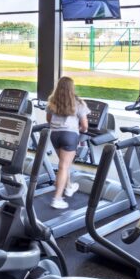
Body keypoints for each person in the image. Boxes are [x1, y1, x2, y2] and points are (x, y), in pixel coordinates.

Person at [45, 77, 89, 210]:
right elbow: (85, 126)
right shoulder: (79, 103)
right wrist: (78, 130)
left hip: (55, 135)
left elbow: (49, 120)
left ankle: (69, 186)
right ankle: (57, 198)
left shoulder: (52, 102)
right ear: (72, 87)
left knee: (63, 164)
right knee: (64, 166)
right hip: (69, 135)